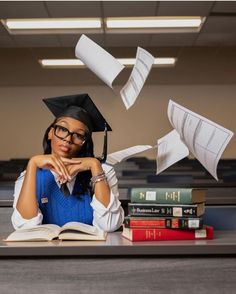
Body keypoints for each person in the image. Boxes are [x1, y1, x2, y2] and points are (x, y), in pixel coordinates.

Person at [11, 93, 124, 232]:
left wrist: (94, 165)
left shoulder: (103, 172)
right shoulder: (28, 176)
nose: (68, 139)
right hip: (46, 253)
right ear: (50, 133)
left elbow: (110, 225)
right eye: (63, 129)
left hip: (92, 252)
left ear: (84, 142)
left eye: (78, 135)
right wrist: (33, 164)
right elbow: (26, 227)